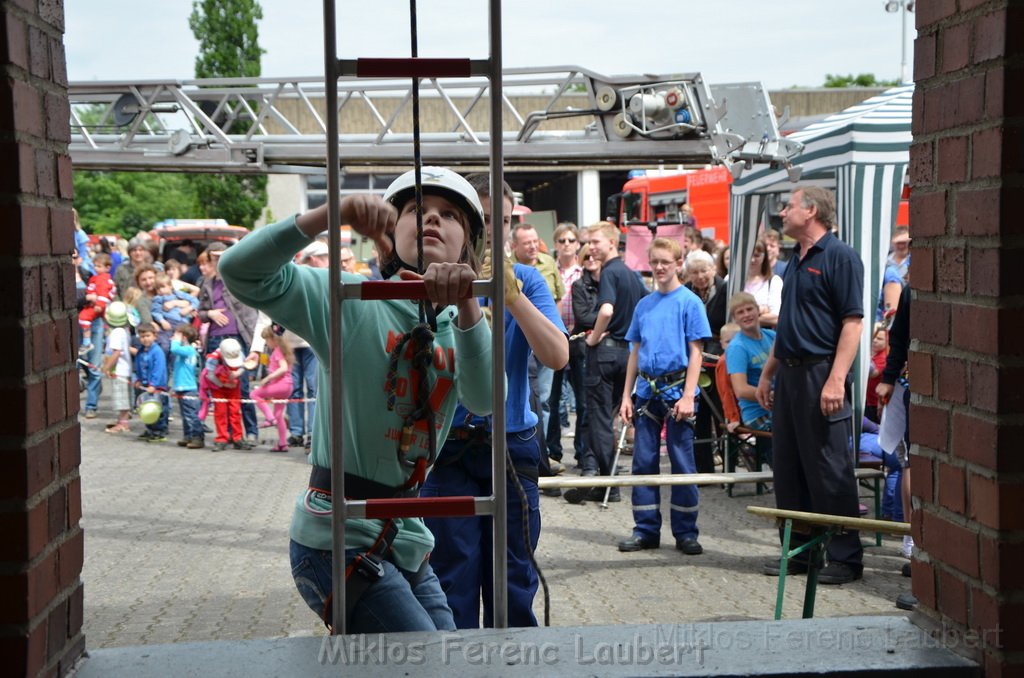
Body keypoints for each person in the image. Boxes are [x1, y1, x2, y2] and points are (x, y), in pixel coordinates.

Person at [218, 166, 492, 634]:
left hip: (403, 535)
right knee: (427, 659)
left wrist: (467, 301)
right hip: (335, 535)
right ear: (390, 228)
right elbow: (240, 271)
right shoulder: (349, 297)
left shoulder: (461, 321)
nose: (431, 220)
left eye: (449, 214)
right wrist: (331, 214)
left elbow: (484, 398)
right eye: (416, 210)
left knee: (451, 654)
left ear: (467, 243)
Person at [420, 173, 567, 629]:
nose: (494, 231)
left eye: (502, 220)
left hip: (510, 444)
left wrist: (513, 298)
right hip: (448, 448)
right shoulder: (428, 280)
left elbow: (557, 355)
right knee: (451, 583)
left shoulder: (525, 278)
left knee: (513, 582)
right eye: (483, 219)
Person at [755, 186, 865, 585]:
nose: (782, 213)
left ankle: (846, 557)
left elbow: (853, 323)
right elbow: (788, 324)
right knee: (789, 465)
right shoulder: (793, 261)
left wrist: (836, 380)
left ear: (812, 210)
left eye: (789, 206)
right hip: (790, 373)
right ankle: (800, 551)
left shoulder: (840, 257)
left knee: (828, 466)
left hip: (821, 373)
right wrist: (769, 372)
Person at [617, 238, 710, 555]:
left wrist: (688, 396)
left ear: (678, 262)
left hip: (677, 392)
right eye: (654, 262)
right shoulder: (644, 305)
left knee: (683, 463)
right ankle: (645, 530)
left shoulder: (690, 303)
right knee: (643, 463)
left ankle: (686, 532)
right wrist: (627, 396)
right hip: (646, 393)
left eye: (665, 262)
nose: (658, 268)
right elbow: (635, 352)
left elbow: (696, 353)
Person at [567, 221, 648, 504]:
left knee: (600, 421)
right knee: (608, 419)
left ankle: (608, 484)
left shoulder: (612, 272)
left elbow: (606, 309)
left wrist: (593, 339)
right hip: (627, 354)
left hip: (606, 354)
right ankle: (606, 480)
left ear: (612, 243)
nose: (591, 247)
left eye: (596, 242)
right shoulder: (631, 275)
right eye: (589, 242)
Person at [511, 222, 565, 470]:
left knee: (541, 401)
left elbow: (558, 299)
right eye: (526, 242)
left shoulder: (536, 272)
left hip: (540, 341)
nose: (533, 246)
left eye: (535, 241)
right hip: (458, 437)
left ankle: (543, 456)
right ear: (515, 246)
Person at [198, 242, 259, 447]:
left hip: (238, 338)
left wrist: (254, 345)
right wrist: (210, 314)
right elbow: (200, 312)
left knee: (241, 388)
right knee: (219, 388)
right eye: (214, 257)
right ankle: (224, 435)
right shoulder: (207, 283)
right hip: (216, 338)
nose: (217, 260)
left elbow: (251, 311)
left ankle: (248, 433)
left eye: (221, 256)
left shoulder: (237, 279)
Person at [684, 249, 728, 474]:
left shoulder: (725, 289)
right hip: (694, 357)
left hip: (719, 357)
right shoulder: (685, 293)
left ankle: (728, 461)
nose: (700, 276)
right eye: (694, 272)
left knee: (722, 411)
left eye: (704, 270)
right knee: (699, 415)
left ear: (713, 269)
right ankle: (704, 468)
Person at [546, 222, 584, 465]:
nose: (567, 245)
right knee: (551, 398)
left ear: (578, 244)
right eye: (562, 241)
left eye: (571, 240)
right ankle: (553, 451)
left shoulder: (585, 271)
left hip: (578, 338)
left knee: (582, 399)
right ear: (555, 245)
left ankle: (581, 451)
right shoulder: (551, 271)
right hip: (555, 337)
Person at [568, 243, 600, 467]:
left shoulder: (609, 281)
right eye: (585, 256)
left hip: (604, 349)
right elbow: (584, 316)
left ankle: (597, 453)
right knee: (583, 404)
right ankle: (582, 453)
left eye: (593, 255)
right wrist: (607, 317)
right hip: (582, 350)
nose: (590, 259)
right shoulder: (579, 285)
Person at [726, 292, 775, 433]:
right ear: (735, 318)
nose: (746, 315)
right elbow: (741, 390)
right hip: (758, 413)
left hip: (780, 406)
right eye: (740, 312)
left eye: (749, 309)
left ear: (757, 310)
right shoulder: (737, 347)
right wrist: (774, 396)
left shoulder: (771, 336)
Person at [252, 325, 294, 453]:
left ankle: (269, 419)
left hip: (281, 385)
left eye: (266, 340)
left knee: (254, 394)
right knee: (279, 415)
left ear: (273, 339)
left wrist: (267, 378)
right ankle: (283, 443)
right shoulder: (282, 350)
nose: (266, 343)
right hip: (287, 386)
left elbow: (283, 368)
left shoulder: (277, 351)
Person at [204, 337, 246, 451]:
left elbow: (243, 366)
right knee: (220, 412)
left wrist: (237, 373)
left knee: (235, 411)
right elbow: (210, 376)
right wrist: (224, 385)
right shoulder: (213, 359)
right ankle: (222, 438)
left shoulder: (238, 352)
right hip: (218, 387)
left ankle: (238, 438)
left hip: (234, 386)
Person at [101, 301, 135, 434]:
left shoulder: (116, 333)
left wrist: (107, 367)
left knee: (121, 399)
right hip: (124, 369)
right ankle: (121, 421)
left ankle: (123, 424)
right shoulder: (124, 331)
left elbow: (116, 353)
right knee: (122, 397)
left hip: (119, 370)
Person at [170, 323, 205, 449]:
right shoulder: (185, 351)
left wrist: (176, 341)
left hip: (189, 387)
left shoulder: (189, 350)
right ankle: (188, 436)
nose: (173, 337)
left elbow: (173, 349)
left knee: (192, 414)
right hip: (181, 386)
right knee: (185, 415)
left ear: (183, 337)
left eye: (176, 334)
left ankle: (197, 437)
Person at [134, 322, 170, 443]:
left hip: (157, 386)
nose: (145, 339)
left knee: (158, 408)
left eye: (148, 336)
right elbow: (138, 366)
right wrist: (138, 379)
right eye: (142, 336)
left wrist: (153, 384)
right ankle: (150, 429)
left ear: (154, 336)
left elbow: (158, 369)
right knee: (147, 408)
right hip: (145, 385)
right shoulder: (140, 351)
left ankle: (160, 431)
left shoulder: (157, 351)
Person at [151, 273, 199, 357]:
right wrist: (162, 321)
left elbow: (195, 300)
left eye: (163, 287)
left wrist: (189, 308)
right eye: (157, 288)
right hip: (170, 323)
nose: (160, 290)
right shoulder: (158, 298)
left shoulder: (179, 294)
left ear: (170, 286)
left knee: (183, 346)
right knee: (168, 346)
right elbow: (155, 312)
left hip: (183, 324)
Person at [78, 253, 116, 355]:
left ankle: (87, 342)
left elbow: (103, 293)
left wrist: (100, 304)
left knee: (83, 317)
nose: (95, 268)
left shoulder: (102, 279)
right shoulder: (97, 277)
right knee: (105, 325)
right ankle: (108, 341)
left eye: (99, 266)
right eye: (95, 265)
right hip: (93, 304)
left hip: (96, 306)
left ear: (107, 267)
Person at [743, 239, 783, 328]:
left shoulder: (774, 281)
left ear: (764, 257)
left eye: (757, 255)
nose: (752, 260)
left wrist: (742, 318)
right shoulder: (730, 279)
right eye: (749, 255)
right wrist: (760, 310)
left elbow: (776, 316)